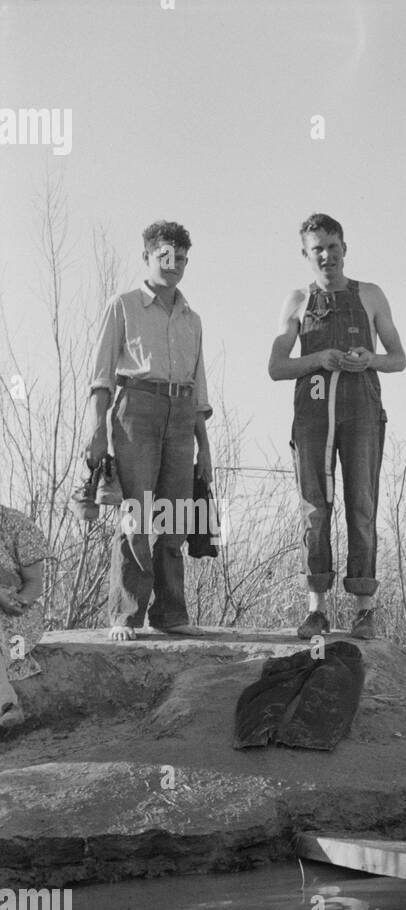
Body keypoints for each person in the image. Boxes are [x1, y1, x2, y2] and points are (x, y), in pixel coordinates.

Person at [268, 213, 406, 641]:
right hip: (313, 416)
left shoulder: (370, 295)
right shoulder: (297, 301)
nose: (326, 255)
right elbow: (276, 366)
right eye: (317, 249)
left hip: (362, 410)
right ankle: (317, 609)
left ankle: (365, 609)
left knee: (361, 506)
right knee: (315, 509)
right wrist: (319, 358)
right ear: (305, 255)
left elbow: (398, 358)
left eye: (332, 246)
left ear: (344, 247)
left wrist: (370, 358)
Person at [88, 220, 213, 641]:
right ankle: (125, 615)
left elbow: (198, 392)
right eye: (165, 256)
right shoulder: (122, 305)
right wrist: (97, 432)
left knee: (175, 515)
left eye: (181, 257)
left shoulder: (192, 318)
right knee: (136, 514)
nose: (173, 263)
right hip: (135, 407)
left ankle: (171, 613)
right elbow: (102, 376)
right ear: (147, 257)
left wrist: (205, 451)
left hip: (181, 414)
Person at [0, 504, 49, 728]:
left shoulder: (16, 524)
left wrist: (17, 601)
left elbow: (34, 583)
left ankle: (6, 706)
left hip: (15, 617)